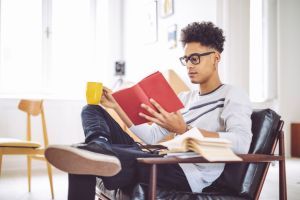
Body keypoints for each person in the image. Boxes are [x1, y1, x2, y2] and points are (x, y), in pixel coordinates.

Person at [45, 21, 252, 200]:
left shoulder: (233, 94)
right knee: (92, 109)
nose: (189, 65)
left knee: (83, 158)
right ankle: (99, 147)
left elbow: (242, 143)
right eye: (186, 59)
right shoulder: (184, 99)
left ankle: (96, 152)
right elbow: (153, 135)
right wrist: (116, 105)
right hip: (160, 155)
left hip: (186, 172)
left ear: (216, 57)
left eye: (195, 58)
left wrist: (184, 129)